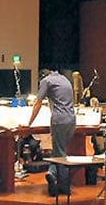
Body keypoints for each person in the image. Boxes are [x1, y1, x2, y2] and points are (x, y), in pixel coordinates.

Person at [26, 68, 75, 196]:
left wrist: (29, 123)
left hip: (59, 120)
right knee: (60, 151)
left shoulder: (46, 81)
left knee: (60, 154)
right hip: (71, 120)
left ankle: (64, 187)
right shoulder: (65, 79)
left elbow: (38, 103)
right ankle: (51, 173)